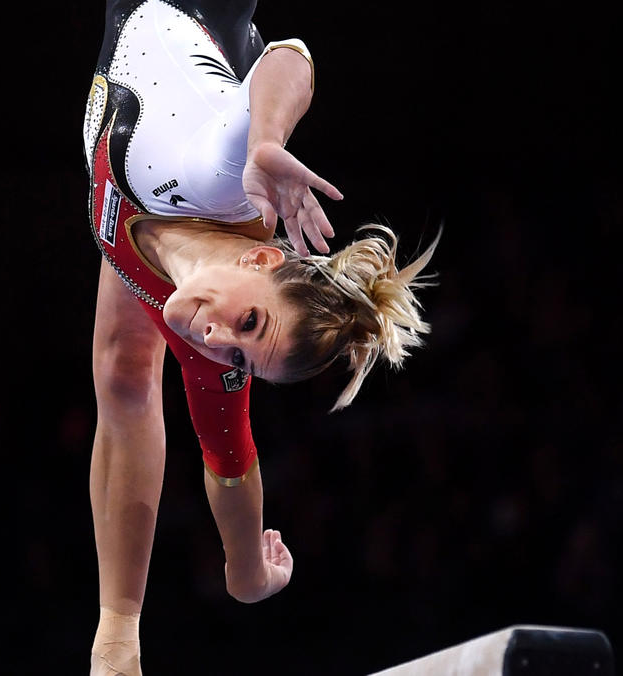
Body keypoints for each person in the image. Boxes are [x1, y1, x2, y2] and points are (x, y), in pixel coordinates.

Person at [82, 2, 437, 673]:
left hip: (211, 57)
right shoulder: (214, 174)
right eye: (249, 324)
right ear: (262, 256)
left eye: (240, 356)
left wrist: (239, 575)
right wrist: (265, 141)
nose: (217, 336)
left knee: (125, 374)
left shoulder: (201, 328)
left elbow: (225, 453)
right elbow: (294, 55)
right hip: (209, 32)